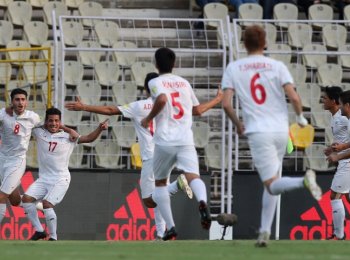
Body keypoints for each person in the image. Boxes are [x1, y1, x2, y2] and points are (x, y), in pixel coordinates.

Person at [66, 72, 223, 240]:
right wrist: (217, 99)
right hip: (168, 150)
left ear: (148, 88)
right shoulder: (171, 104)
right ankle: (162, 234)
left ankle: (178, 185)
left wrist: (85, 107)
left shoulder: (140, 106)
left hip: (151, 156)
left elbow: (110, 110)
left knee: (149, 200)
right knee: (160, 194)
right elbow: (196, 110)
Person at [221, 25, 322, 247]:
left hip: (259, 132)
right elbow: (294, 98)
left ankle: (304, 181)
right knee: (274, 180)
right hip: (281, 131)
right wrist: (301, 119)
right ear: (265, 42)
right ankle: (264, 232)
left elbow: (226, 103)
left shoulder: (234, 68)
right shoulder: (277, 66)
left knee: (271, 185)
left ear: (244, 43)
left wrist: (238, 124)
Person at [140, 47, 219, 240]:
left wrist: (148, 118)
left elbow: (162, 99)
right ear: (174, 63)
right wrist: (218, 98)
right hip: (185, 140)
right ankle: (201, 201)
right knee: (193, 176)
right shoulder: (184, 83)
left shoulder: (154, 82)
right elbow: (197, 110)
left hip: (164, 141)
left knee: (159, 184)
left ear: (156, 64)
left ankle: (171, 227)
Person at [22, 107, 109, 241]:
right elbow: (27, 124)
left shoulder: (69, 137)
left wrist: (99, 129)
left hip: (60, 179)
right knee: (26, 199)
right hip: (44, 179)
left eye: (57, 121)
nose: (53, 123)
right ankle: (39, 231)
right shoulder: (39, 132)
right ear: (46, 121)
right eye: (50, 121)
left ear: (60, 122)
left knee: (47, 204)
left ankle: (53, 237)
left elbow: (89, 139)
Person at [0, 88, 42, 228]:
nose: (20, 102)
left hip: (17, 161)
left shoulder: (33, 117)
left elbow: (48, 128)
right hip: (2, 159)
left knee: (1, 196)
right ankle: (34, 204)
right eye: (17, 99)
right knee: (14, 200)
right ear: (12, 102)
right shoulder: (3, 114)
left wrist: (68, 131)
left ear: (26, 102)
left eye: (23, 99)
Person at [322, 86, 350, 240]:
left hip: (349, 160)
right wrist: (331, 148)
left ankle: (339, 236)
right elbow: (344, 138)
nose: (322, 100)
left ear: (333, 101)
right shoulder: (335, 116)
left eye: (325, 98)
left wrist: (341, 148)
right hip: (345, 160)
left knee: (335, 196)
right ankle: (339, 235)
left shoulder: (343, 117)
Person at [327, 90, 350, 231]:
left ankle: (339, 234)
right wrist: (341, 148)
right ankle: (339, 234)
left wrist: (338, 156)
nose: (339, 107)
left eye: (340, 104)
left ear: (347, 105)